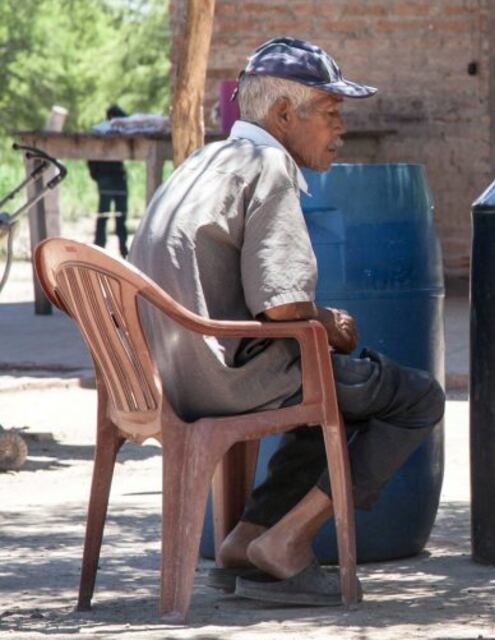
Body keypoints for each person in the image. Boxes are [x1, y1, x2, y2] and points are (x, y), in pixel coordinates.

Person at [129, 37, 445, 606]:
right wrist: (329, 320)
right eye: (330, 112)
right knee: (415, 397)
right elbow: (282, 306)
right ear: (282, 114)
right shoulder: (267, 163)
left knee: (326, 381)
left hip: (170, 374)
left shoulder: (202, 160)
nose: (340, 128)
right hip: (226, 377)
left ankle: (246, 540)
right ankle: (288, 541)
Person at [88, 104, 129, 257]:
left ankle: (104, 250)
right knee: (112, 216)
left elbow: (90, 157)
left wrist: (96, 174)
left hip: (111, 177)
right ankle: (112, 250)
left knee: (113, 216)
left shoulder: (102, 131)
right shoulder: (104, 131)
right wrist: (97, 174)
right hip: (112, 177)